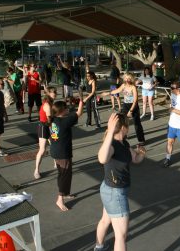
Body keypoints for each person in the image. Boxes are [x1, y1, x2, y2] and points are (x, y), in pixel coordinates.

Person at [94, 113, 146, 251]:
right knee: (121, 236)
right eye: (127, 126)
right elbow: (102, 159)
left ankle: (99, 247)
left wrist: (141, 153)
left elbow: (135, 159)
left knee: (105, 220)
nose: (129, 128)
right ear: (123, 127)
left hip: (109, 190)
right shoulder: (112, 145)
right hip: (115, 193)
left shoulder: (124, 143)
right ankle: (99, 247)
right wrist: (110, 131)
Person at [49, 96, 83, 211]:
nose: (68, 108)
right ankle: (60, 199)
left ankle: (65, 193)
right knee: (64, 175)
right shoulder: (65, 121)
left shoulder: (54, 119)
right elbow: (79, 113)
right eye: (66, 107)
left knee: (63, 174)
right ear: (61, 111)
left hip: (56, 151)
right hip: (63, 153)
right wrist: (81, 102)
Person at [102, 73, 145, 146]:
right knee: (122, 121)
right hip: (125, 105)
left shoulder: (133, 87)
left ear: (131, 79)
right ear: (124, 79)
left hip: (133, 106)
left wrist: (131, 111)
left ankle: (141, 139)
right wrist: (108, 93)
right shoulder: (123, 85)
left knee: (137, 123)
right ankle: (123, 135)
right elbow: (117, 91)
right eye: (126, 78)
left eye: (129, 78)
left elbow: (135, 101)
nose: (127, 80)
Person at [34, 86, 57, 179]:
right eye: (53, 92)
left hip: (51, 126)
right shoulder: (47, 104)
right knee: (42, 149)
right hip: (45, 126)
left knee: (55, 145)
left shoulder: (51, 102)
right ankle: (36, 170)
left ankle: (57, 163)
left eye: (55, 92)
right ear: (48, 93)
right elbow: (49, 119)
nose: (55, 93)